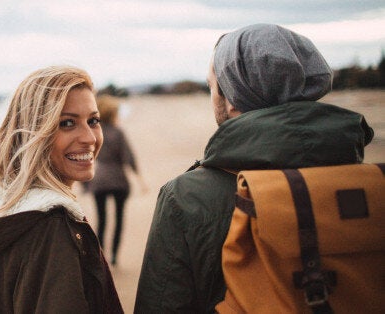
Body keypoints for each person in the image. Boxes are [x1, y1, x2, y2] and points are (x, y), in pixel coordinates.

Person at [134, 23, 374, 313]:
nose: (213, 95)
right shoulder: (365, 182)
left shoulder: (186, 197)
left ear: (232, 98)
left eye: (213, 86)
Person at [0, 65, 124, 313]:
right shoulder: (51, 228)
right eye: (67, 123)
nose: (89, 137)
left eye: (93, 121)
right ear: (34, 132)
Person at [85, 95, 146, 266]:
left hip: (100, 180)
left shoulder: (93, 132)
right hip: (119, 180)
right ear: (112, 113)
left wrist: (84, 183)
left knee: (101, 219)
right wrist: (140, 179)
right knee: (119, 219)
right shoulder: (118, 132)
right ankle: (113, 256)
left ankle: (100, 256)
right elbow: (129, 157)